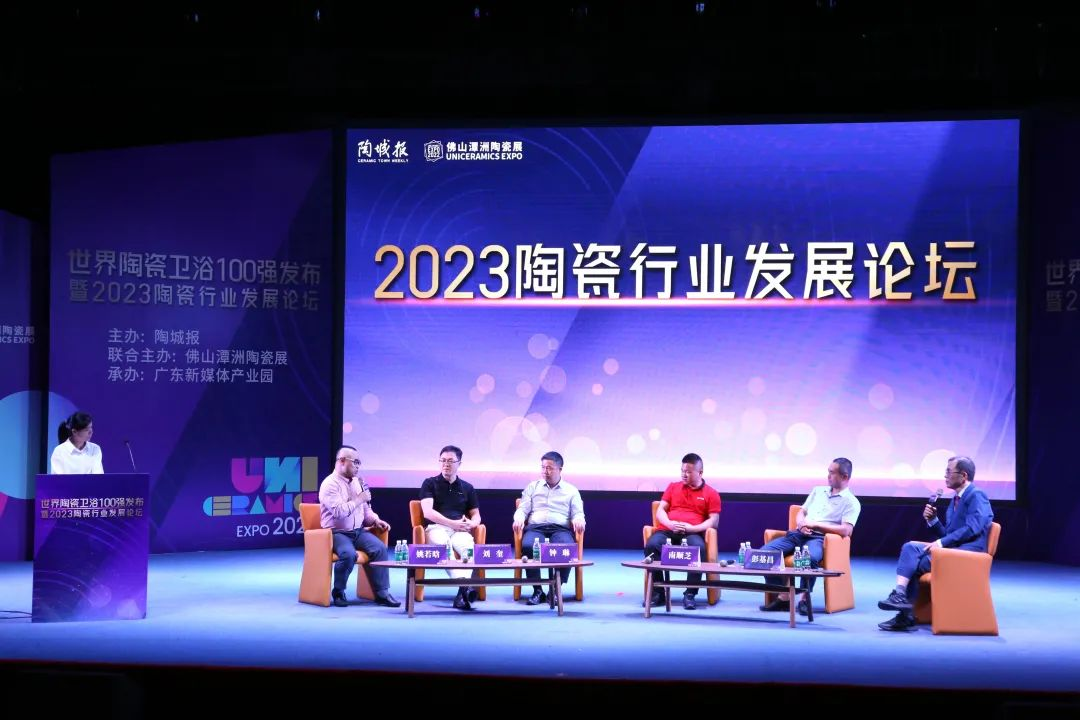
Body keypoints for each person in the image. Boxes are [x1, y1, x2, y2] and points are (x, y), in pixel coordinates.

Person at [877, 455, 994, 631]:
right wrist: (933, 521)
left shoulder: (976, 495)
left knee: (919, 562)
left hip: (968, 553)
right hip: (953, 549)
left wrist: (940, 543)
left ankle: (905, 616)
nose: (945, 476)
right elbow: (949, 534)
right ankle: (899, 595)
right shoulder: (955, 500)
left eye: (948, 471)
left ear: (963, 475)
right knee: (910, 548)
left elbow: (973, 528)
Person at [759, 457, 860, 615]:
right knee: (763, 554)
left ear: (844, 476)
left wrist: (816, 525)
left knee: (810, 558)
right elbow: (802, 512)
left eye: (832, 473)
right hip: (798, 534)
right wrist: (801, 523)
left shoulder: (851, 502)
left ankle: (805, 599)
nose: (828, 475)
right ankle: (784, 597)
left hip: (819, 538)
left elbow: (846, 530)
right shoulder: (818, 491)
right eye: (828, 471)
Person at [317, 445, 400, 608]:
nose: (358, 466)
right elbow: (339, 512)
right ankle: (339, 591)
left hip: (358, 531)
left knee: (380, 548)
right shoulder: (329, 484)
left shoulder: (358, 482)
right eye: (355, 462)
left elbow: (366, 509)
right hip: (336, 533)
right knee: (348, 554)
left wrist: (375, 520)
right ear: (342, 461)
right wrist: (359, 499)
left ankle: (382, 593)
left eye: (359, 463)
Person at [643, 453, 721, 610]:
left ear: (700, 472)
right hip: (668, 530)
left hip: (692, 532)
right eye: (682, 471)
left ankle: (690, 593)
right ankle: (658, 593)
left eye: (689, 472)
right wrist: (670, 524)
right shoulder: (673, 487)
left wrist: (692, 528)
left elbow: (714, 521)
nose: (684, 474)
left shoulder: (711, 493)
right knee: (652, 545)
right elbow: (660, 511)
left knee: (698, 548)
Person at [513, 451, 586, 606]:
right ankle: (537, 590)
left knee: (566, 548)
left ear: (560, 469)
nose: (545, 471)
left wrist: (579, 520)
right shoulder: (533, 487)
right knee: (529, 546)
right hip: (536, 527)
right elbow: (523, 509)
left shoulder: (571, 490)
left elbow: (578, 513)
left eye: (550, 468)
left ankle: (555, 588)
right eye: (543, 467)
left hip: (560, 528)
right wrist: (518, 518)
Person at [420, 445, 482, 611]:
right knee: (444, 547)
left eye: (450, 461)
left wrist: (472, 524)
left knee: (469, 550)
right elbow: (428, 513)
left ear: (459, 463)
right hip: (436, 528)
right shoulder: (429, 483)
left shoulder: (467, 487)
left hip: (459, 530)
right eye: (442, 460)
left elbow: (476, 515)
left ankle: (461, 593)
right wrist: (452, 523)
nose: (445, 464)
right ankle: (465, 587)